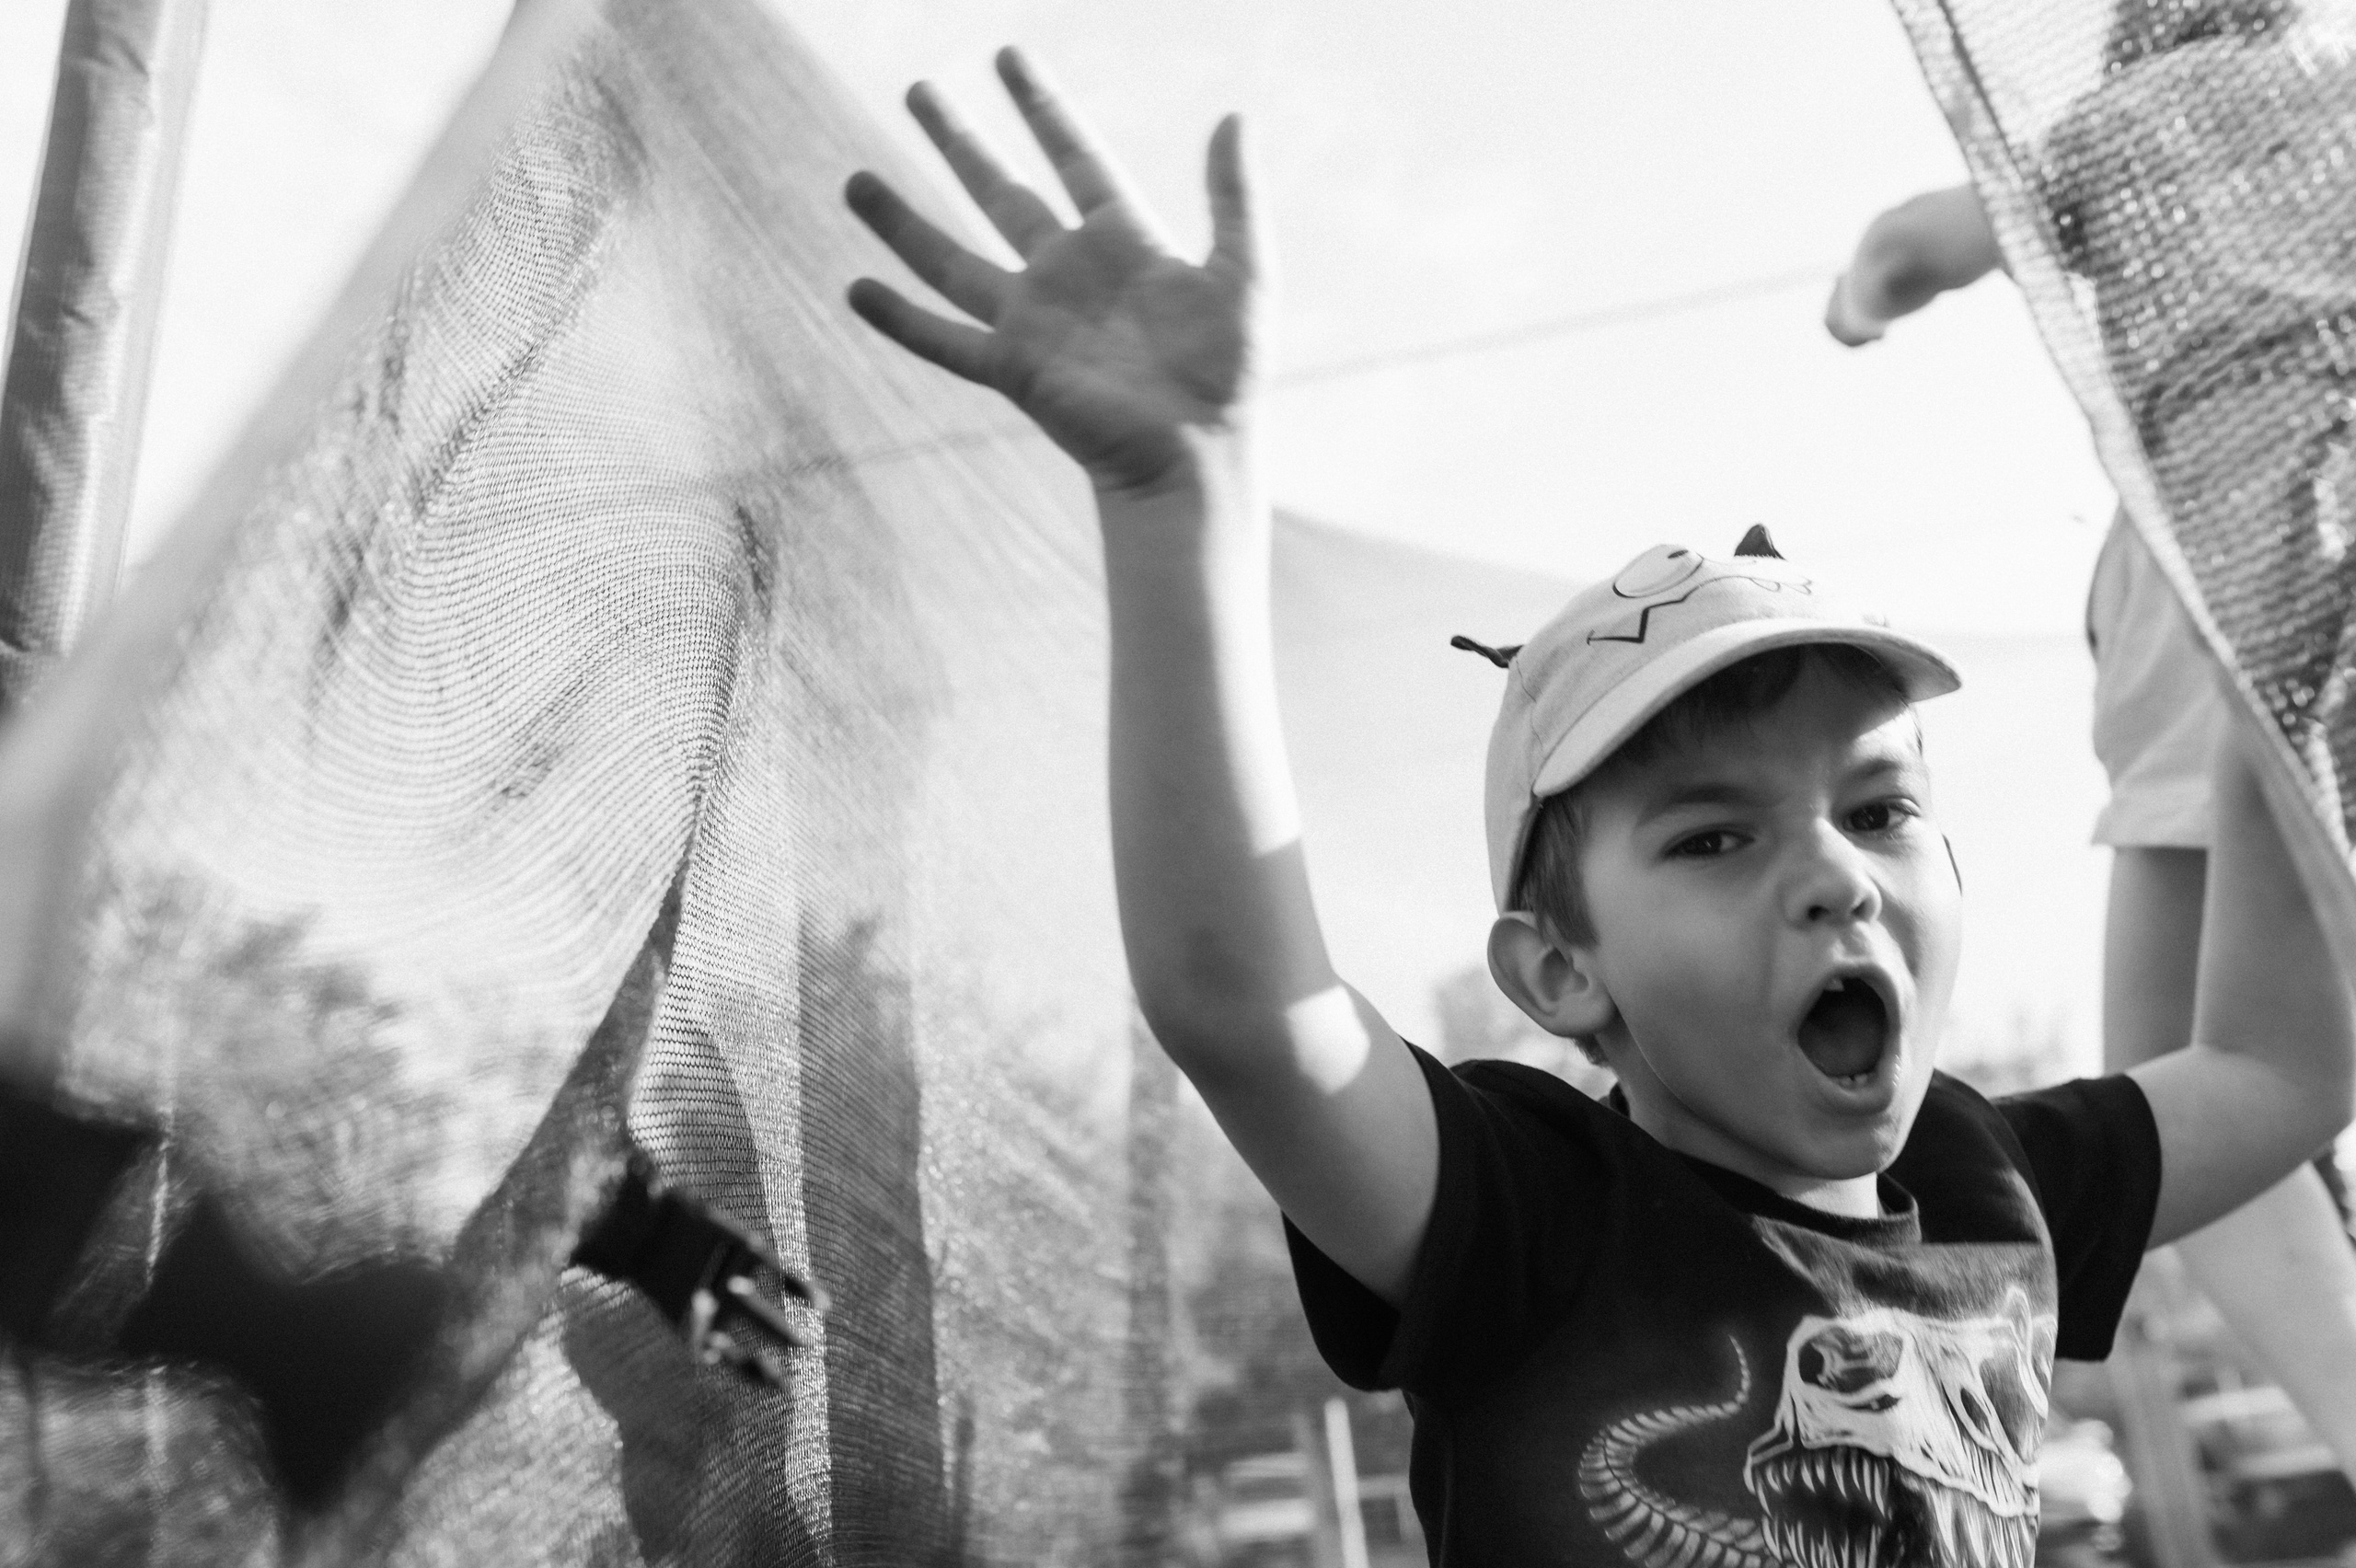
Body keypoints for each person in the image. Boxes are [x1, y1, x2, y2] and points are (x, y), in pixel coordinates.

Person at [844, 50, 2354, 1563]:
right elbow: (1244, 1007)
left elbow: (2285, 1064)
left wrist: (2265, 653)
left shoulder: (1988, 1180)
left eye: (1880, 807)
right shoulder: (1537, 1215)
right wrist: (1180, 499)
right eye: (1713, 837)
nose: (1832, 869)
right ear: (1562, 973)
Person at [1825, 0, 2356, 1476]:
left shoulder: (2111, 130)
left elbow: (1913, 247)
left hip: (2234, 549)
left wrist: (1865, 294)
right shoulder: (2336, 82)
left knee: (2179, 1084)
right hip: (2308, 495)